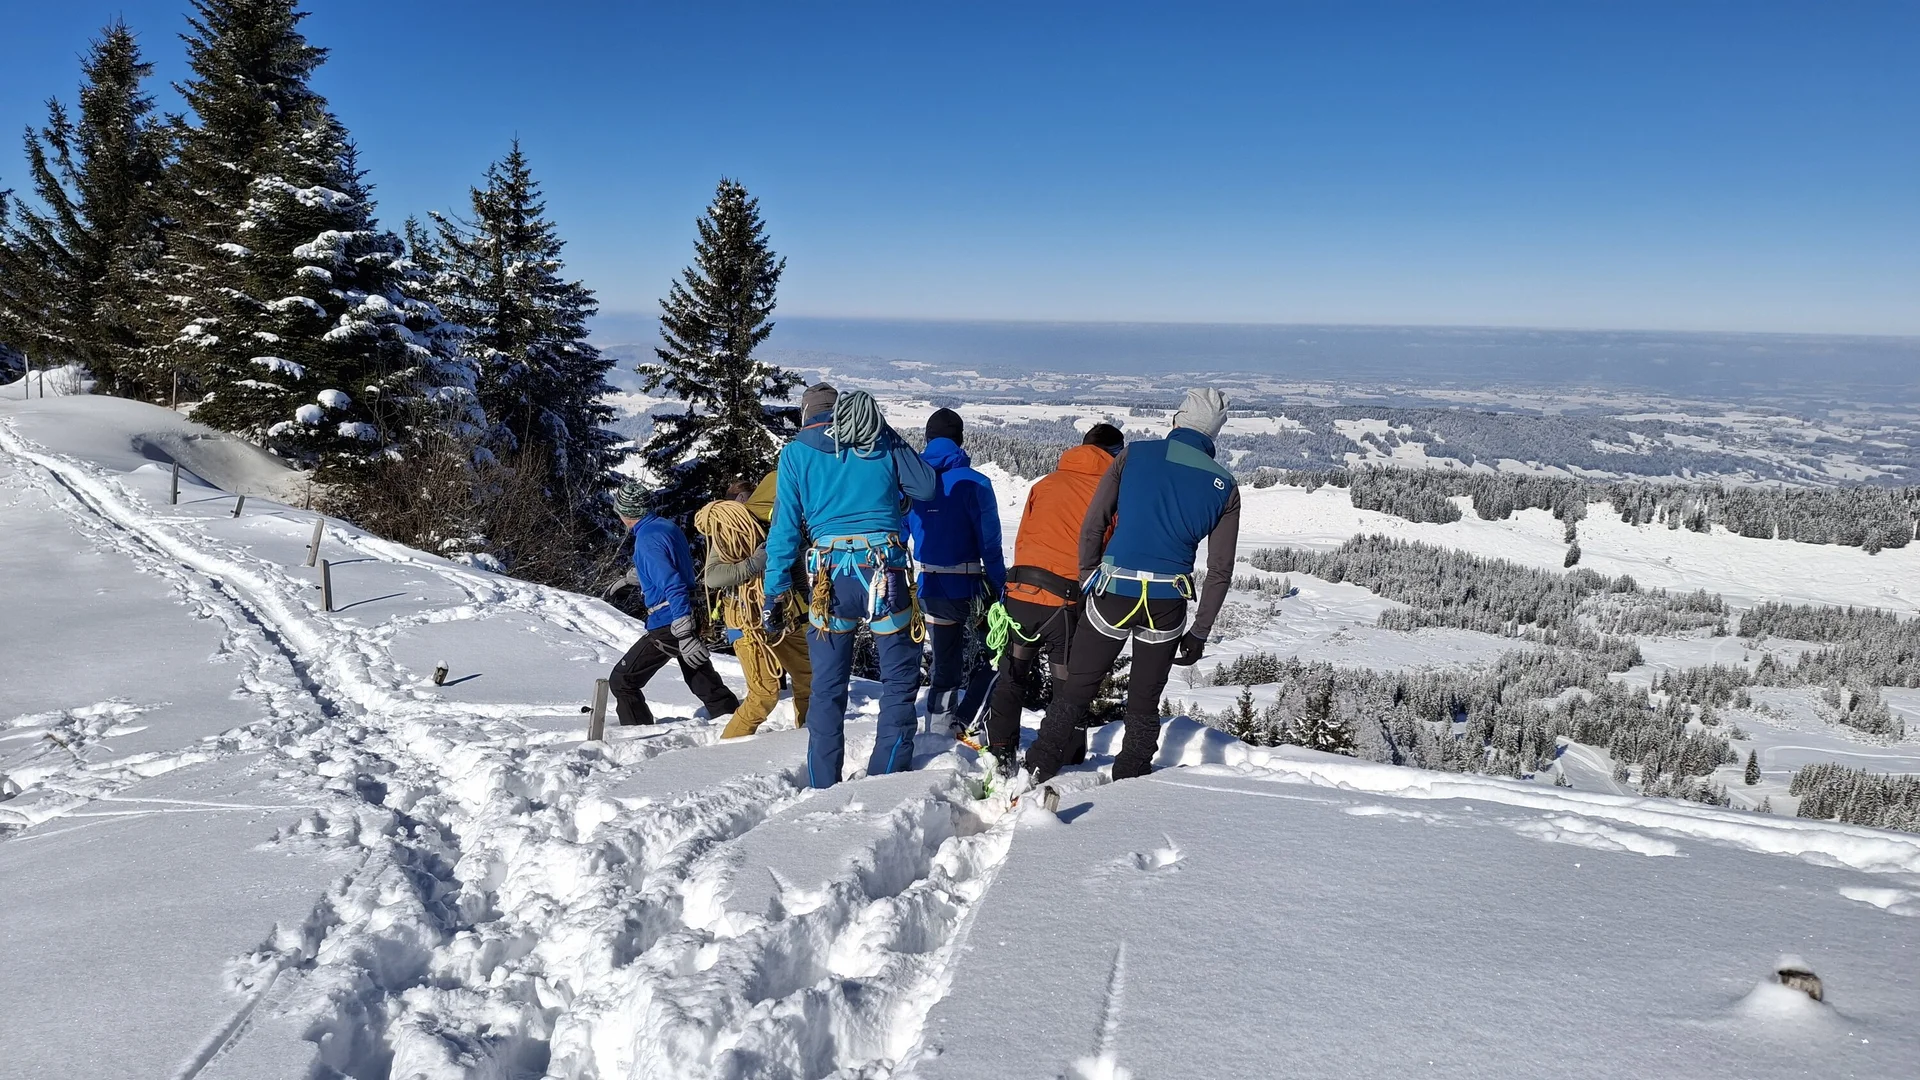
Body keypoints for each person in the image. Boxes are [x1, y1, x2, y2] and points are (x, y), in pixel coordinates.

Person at [1022, 390, 1240, 785]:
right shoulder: (1224, 485)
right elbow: (1220, 570)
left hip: (1112, 591)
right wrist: (1199, 632)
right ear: (1215, 432)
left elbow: (1094, 525)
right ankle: (1130, 783)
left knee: (1076, 688)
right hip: (1167, 602)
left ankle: (1038, 767)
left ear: (1179, 418)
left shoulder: (1134, 455)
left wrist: (1089, 576)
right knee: (1144, 701)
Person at [763, 389, 940, 788]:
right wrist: (884, 432)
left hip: (829, 577)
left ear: (806, 414)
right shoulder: (879, 441)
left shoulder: (795, 454)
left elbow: (785, 532)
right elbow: (926, 487)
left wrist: (773, 593)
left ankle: (823, 783)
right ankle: (886, 777)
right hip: (884, 571)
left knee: (826, 689)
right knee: (898, 681)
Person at [981, 422, 1125, 775]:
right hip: (1064, 600)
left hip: (1020, 592)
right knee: (1067, 684)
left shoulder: (1044, 483)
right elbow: (1111, 545)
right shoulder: (1112, 489)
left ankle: (999, 750)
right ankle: (1065, 757)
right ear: (1115, 454)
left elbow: (1027, 534)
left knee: (1013, 673)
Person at [905, 408, 1006, 738]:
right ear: (960, 441)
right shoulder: (976, 483)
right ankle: (972, 721)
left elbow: (898, 531)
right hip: (971, 587)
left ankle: (937, 730)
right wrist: (1000, 586)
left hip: (930, 586)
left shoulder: (912, 484)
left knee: (944, 665)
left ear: (928, 439)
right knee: (995, 656)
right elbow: (989, 544)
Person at [609, 480, 741, 727]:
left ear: (624, 512)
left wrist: (684, 629)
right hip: (688, 609)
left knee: (623, 680)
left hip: (670, 620)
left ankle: (636, 734)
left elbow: (672, 582)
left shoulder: (646, 540)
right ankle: (731, 718)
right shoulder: (666, 528)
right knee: (699, 675)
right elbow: (671, 566)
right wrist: (635, 576)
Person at [695, 493, 813, 738]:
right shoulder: (729, 532)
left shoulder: (784, 526)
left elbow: (797, 566)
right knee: (764, 693)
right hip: (745, 620)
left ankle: (809, 737)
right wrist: (753, 563)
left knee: (810, 681)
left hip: (784, 615)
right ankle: (729, 747)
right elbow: (713, 577)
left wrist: (805, 604)